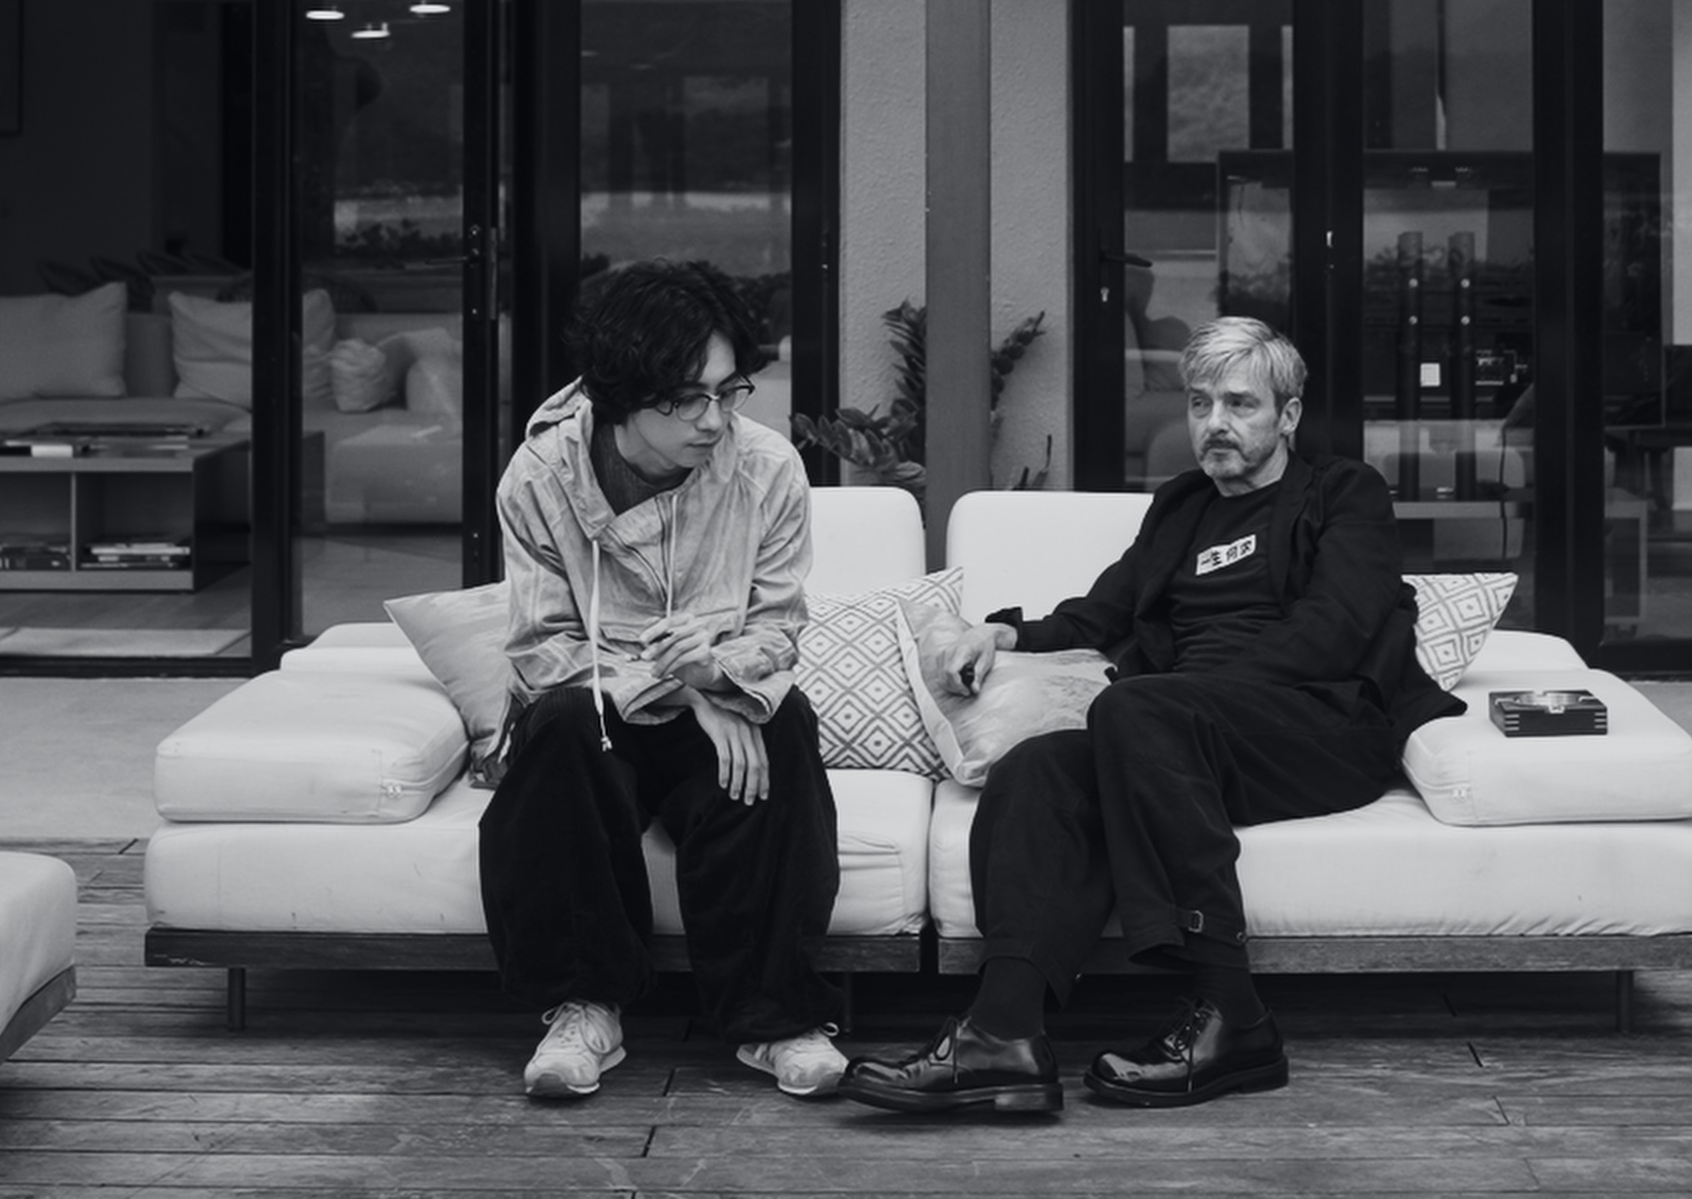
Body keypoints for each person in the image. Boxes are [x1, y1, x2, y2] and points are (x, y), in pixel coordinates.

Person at [844, 316, 1465, 1117]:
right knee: (1038, 767)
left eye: (1240, 404)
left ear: (1288, 415)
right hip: (1176, 736)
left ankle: (1236, 1017)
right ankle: (1002, 1036)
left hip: (1318, 725)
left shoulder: (1344, 493)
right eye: (1201, 404)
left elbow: (1334, 630)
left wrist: (1185, 697)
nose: (1215, 423)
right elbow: (1102, 611)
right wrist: (1005, 633)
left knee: (1138, 707)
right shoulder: (1181, 507)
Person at [479, 258, 848, 1105]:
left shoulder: (766, 468)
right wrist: (678, 690)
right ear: (620, 395)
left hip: (718, 703)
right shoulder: (539, 478)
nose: (714, 419)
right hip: (600, 715)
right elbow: (540, 648)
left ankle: (776, 1016)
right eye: (686, 399)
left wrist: (716, 675)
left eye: (728, 391)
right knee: (560, 723)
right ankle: (584, 1008)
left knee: (785, 724)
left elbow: (778, 626)